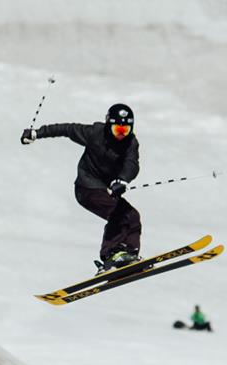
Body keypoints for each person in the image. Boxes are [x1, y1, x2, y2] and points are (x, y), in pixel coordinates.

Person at [21, 103, 142, 271]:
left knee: (133, 216)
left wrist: (122, 180)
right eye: (117, 130)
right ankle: (111, 255)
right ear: (109, 125)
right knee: (119, 215)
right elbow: (67, 129)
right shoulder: (95, 133)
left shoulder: (130, 143)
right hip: (87, 188)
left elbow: (132, 164)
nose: (121, 135)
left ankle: (129, 256)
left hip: (106, 191)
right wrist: (37, 133)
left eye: (125, 130)